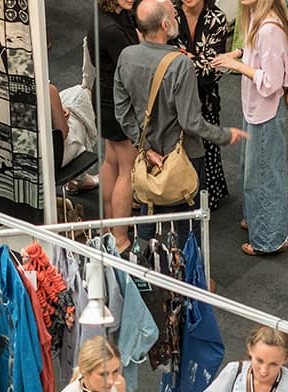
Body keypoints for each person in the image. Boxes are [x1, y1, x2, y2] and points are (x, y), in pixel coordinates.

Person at [114, 0, 246, 245]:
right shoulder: (180, 64)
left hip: (148, 153)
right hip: (185, 154)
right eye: (171, 11)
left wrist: (145, 147)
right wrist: (225, 135)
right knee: (189, 222)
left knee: (149, 214)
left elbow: (122, 111)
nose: (176, 11)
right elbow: (191, 122)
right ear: (165, 25)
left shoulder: (127, 56)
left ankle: (152, 271)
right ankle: (188, 277)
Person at [211, 0, 288, 256]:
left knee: (264, 176)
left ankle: (269, 238)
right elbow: (258, 57)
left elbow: (271, 82)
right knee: (256, 171)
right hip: (257, 109)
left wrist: (237, 65)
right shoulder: (256, 16)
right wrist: (237, 55)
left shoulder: (268, 28)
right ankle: (260, 221)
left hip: (265, 111)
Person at [86, 0, 139, 252]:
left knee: (111, 160)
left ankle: (107, 226)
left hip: (105, 98)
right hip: (117, 102)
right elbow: (133, 67)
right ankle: (120, 236)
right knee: (127, 167)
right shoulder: (112, 30)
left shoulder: (106, 14)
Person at [172, 0, 231, 210]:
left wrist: (184, 58)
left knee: (207, 147)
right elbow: (164, 57)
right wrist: (197, 60)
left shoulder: (217, 19)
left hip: (205, 99)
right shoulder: (170, 13)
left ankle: (208, 195)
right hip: (173, 99)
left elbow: (212, 71)